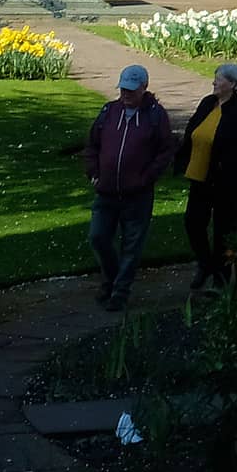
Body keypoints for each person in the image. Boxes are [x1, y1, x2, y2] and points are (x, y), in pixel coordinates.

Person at [81, 64, 176, 310]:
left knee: (132, 246)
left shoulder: (155, 116)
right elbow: (92, 145)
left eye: (132, 90)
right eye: (123, 89)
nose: (126, 94)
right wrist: (93, 173)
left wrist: (146, 177)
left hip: (137, 195)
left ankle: (119, 292)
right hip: (107, 191)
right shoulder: (109, 112)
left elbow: (166, 151)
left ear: (144, 88)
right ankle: (112, 280)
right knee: (98, 237)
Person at [180, 61, 237, 290]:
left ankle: (222, 278)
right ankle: (205, 264)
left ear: (233, 84)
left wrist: (232, 159)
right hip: (200, 176)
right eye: (215, 77)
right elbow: (193, 130)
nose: (214, 82)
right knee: (193, 222)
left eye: (219, 79)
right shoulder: (208, 103)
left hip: (227, 182)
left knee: (224, 231)